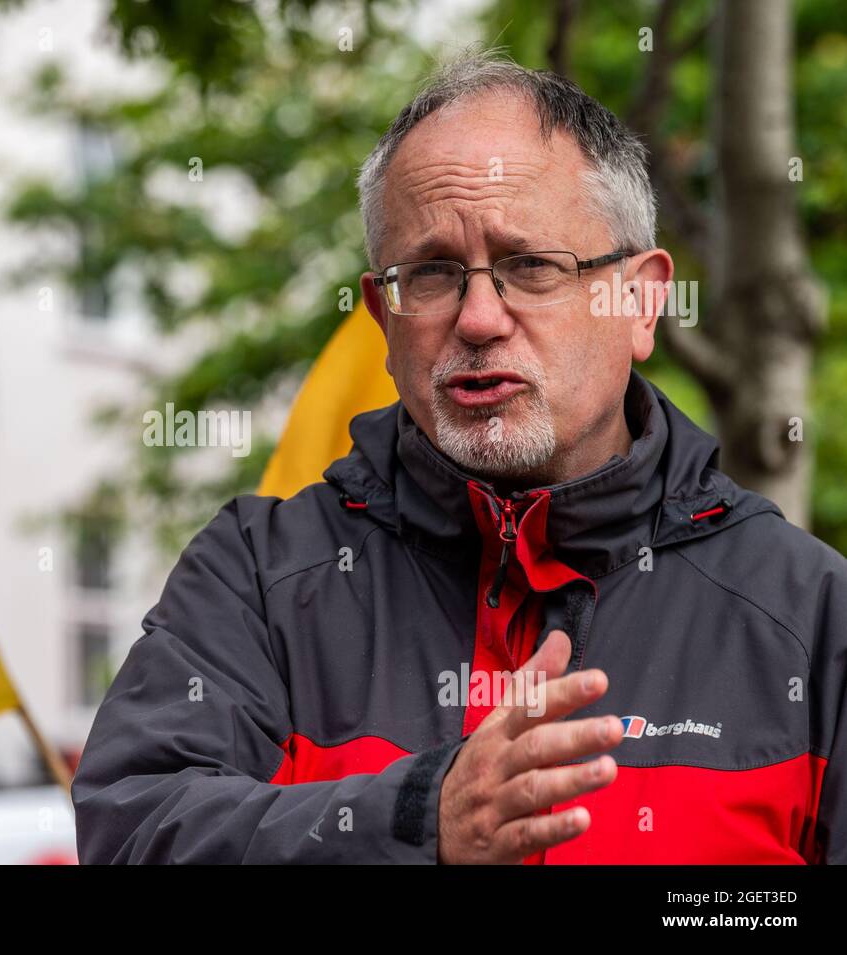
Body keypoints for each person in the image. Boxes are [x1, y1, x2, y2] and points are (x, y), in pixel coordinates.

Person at [71, 50, 847, 864]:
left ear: (641, 299)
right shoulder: (259, 581)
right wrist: (415, 819)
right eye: (434, 273)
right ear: (383, 318)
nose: (479, 317)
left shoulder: (810, 616)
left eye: (530, 266)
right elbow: (135, 830)